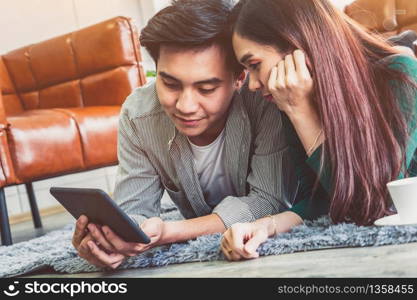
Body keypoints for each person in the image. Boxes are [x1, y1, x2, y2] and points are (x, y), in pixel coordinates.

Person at [71, 0, 297, 269]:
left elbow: (268, 200)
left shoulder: (264, 99)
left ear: (239, 77)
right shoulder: (138, 114)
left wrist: (170, 232)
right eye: (170, 84)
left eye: (206, 88)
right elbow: (134, 209)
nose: (185, 107)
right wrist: (110, 237)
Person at [221, 0, 417, 261]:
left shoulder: (400, 75)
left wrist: (301, 111)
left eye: (254, 65)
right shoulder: (289, 101)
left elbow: (370, 205)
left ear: (298, 46)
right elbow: (319, 198)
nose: (252, 85)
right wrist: (264, 226)